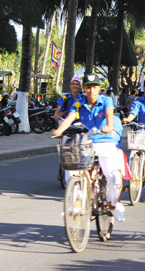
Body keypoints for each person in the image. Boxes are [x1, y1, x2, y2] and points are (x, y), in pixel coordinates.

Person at [52, 74, 126, 222]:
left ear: (99, 88)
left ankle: (112, 204)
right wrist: (59, 131)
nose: (91, 90)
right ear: (84, 88)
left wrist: (109, 127)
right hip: (86, 143)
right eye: (88, 87)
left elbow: (109, 114)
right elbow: (70, 117)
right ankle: (76, 203)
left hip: (105, 142)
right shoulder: (79, 102)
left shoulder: (106, 100)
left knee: (113, 176)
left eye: (94, 87)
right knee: (71, 170)